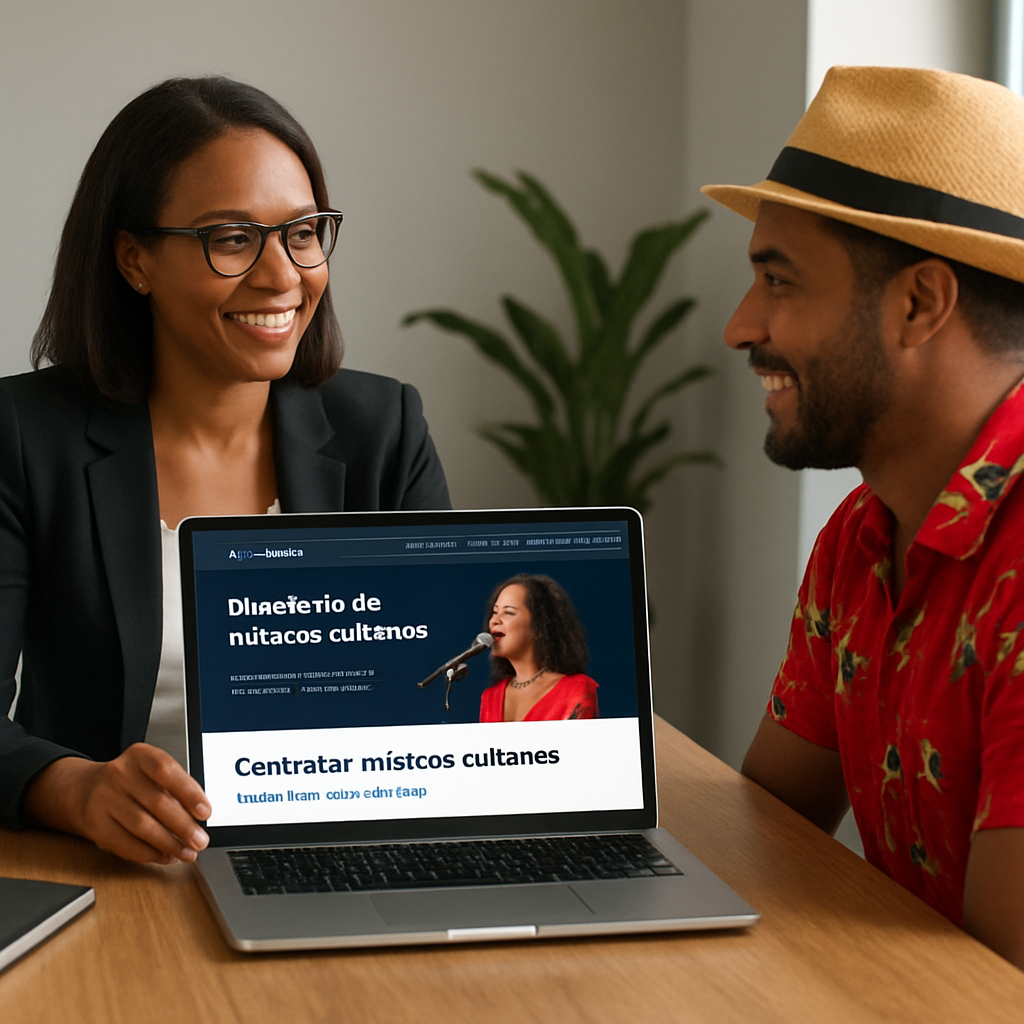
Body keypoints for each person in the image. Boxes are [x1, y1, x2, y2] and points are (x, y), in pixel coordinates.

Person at [0, 77, 449, 866]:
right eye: (233, 239)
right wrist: (78, 789)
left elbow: (440, 695)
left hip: (343, 856)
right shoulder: (24, 435)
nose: (282, 275)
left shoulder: (385, 427)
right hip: (113, 872)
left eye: (302, 233)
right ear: (134, 259)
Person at [702, 66, 1024, 969]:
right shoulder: (863, 532)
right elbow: (769, 826)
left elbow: (998, 988)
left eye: (778, 280)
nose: (739, 326)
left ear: (919, 304)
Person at [479, 574, 597, 722]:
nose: (494, 621)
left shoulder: (576, 689)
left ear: (539, 627)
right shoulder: (489, 698)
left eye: (508, 612)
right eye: (495, 612)